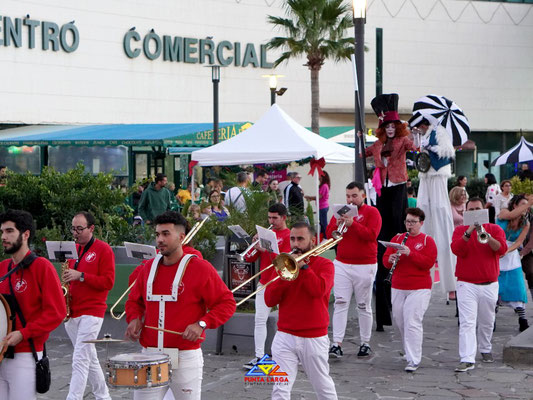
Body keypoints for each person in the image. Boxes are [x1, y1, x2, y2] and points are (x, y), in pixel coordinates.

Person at [125, 211, 236, 400]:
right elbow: (134, 301)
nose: (160, 239)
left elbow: (226, 303)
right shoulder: (147, 268)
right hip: (149, 353)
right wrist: (134, 319)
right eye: (158, 234)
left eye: (166, 234)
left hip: (185, 356)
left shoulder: (201, 268)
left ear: (182, 237)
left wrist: (202, 324)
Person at [264, 222, 337, 400]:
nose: (296, 244)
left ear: (312, 241)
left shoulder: (325, 265)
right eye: (293, 239)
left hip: (313, 337)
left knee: (323, 387)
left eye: (300, 239)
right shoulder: (283, 264)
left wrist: (304, 268)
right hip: (285, 335)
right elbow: (269, 300)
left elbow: (318, 291)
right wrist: (285, 274)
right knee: (280, 388)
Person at [0, 209, 66, 400]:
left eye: (9, 231)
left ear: (25, 234)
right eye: (2, 232)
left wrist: (23, 333)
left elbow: (57, 312)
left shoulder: (42, 267)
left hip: (25, 355)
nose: (4, 236)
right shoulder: (3, 268)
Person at [364, 94, 416, 331]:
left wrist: (416, 133)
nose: (392, 129)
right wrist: (358, 139)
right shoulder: (376, 145)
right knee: (382, 245)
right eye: (388, 126)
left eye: (395, 125)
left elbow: (414, 146)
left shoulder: (403, 143)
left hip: (397, 191)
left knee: (398, 234)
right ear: (383, 128)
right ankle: (383, 314)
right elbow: (361, 155)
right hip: (381, 193)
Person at [62, 211, 115, 400]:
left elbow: (108, 282)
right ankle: (103, 396)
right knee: (89, 358)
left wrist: (81, 276)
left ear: (91, 229)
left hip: (92, 311)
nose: (75, 233)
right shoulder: (72, 250)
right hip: (72, 310)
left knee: (80, 359)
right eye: (73, 229)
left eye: (79, 229)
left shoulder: (103, 249)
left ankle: (73, 397)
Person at [450, 197, 507, 372]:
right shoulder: (460, 230)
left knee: (487, 320)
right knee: (467, 322)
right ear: (466, 212)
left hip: (490, 283)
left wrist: (487, 236)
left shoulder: (495, 229)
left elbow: (502, 250)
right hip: (466, 284)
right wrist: (469, 233)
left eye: (477, 209)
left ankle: (485, 348)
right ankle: (467, 358)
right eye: (471, 210)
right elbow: (456, 250)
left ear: (484, 211)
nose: (474, 213)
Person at [327, 182, 382, 358]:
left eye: (354, 196)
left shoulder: (372, 212)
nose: (350, 200)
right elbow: (329, 235)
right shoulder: (342, 210)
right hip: (342, 263)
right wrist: (336, 223)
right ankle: (336, 344)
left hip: (365, 265)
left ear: (363, 196)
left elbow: (371, 236)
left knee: (363, 305)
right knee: (340, 302)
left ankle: (365, 343)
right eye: (348, 196)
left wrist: (353, 224)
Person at [383, 208, 437, 372]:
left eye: (413, 222)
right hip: (398, 285)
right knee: (400, 320)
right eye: (407, 221)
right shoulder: (397, 238)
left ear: (421, 223)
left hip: (419, 287)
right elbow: (385, 260)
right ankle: (409, 351)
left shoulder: (428, 241)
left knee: (412, 320)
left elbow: (428, 263)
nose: (409, 225)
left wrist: (410, 253)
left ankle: (413, 359)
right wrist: (390, 259)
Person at [410, 115, 457, 301]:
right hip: (426, 175)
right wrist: (419, 141)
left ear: (424, 123)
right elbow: (419, 151)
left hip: (437, 175)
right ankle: (422, 280)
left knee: (439, 211)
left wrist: (431, 147)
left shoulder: (440, 130)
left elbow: (448, 151)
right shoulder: (425, 134)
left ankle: (450, 283)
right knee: (422, 211)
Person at [242, 203, 291, 369]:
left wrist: (266, 250)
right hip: (264, 282)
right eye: (269, 217)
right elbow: (249, 259)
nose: (271, 221)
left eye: (275, 218)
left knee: (286, 321)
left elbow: (284, 260)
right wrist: (253, 244)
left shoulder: (290, 235)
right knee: (259, 320)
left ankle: (285, 356)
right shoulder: (266, 234)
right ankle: (259, 356)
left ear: (284, 218)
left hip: (281, 283)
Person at [496, 194, 530, 331]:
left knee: (518, 287)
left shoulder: (525, 223)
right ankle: (492, 317)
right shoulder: (504, 212)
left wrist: (507, 250)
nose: (526, 208)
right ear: (515, 205)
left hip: (511, 256)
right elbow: (510, 216)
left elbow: (519, 241)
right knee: (496, 286)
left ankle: (522, 317)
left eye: (527, 206)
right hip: (496, 248)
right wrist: (500, 250)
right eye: (522, 204)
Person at [305, 171, 331, 238]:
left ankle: (326, 237)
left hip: (323, 207)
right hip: (321, 207)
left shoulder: (324, 186)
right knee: (321, 223)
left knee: (323, 223)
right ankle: (323, 236)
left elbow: (320, 196)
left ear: (323, 177)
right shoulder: (323, 185)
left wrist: (310, 197)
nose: (318, 177)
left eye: (319, 176)